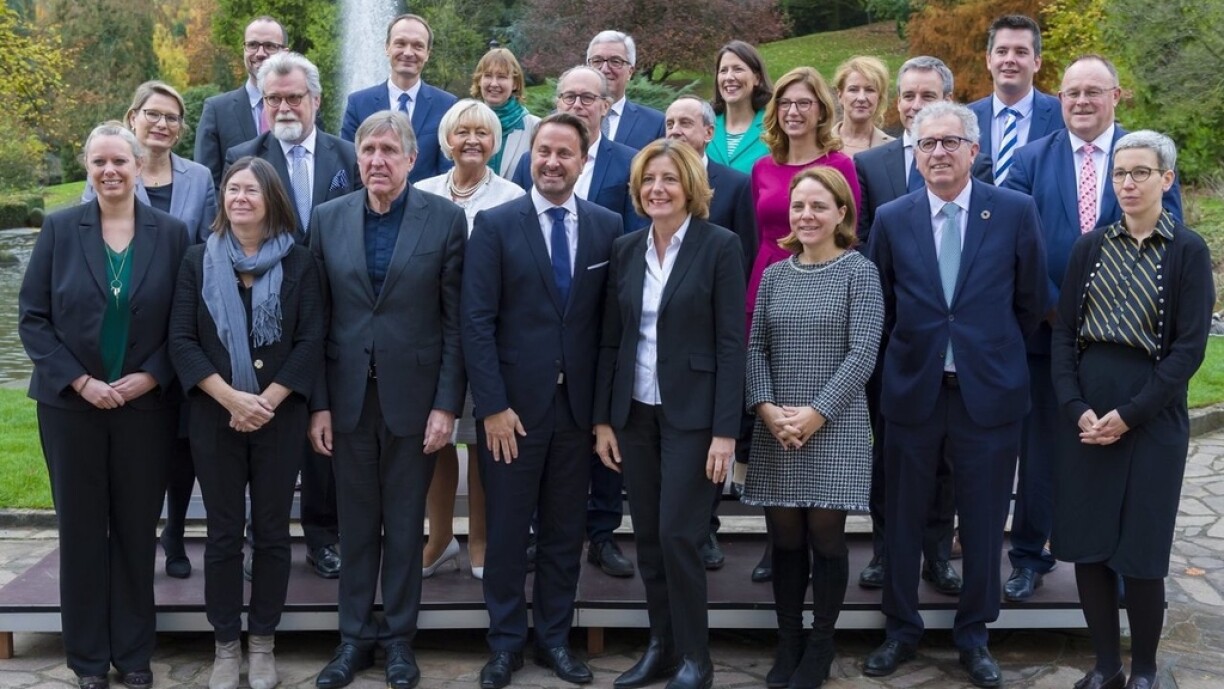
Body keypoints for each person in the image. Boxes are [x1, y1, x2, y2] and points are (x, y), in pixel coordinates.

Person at [863, 102, 1047, 688]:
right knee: (902, 518)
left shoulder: (1013, 210)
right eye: (927, 144)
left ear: (974, 149)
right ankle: (900, 629)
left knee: (986, 519)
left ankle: (974, 634)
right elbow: (880, 305)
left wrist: (983, 352)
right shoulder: (892, 217)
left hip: (986, 394)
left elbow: (1030, 302)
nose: (938, 152)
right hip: (913, 392)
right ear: (915, 154)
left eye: (950, 142)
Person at [1001, 54, 1183, 603]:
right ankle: (1029, 556)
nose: (1081, 101)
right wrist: (1055, 309)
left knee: (1115, 454)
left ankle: (1116, 562)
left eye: (1093, 91)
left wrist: (1109, 314)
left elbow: (1168, 238)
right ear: (1059, 98)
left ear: (1116, 96)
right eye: (1072, 92)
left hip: (1123, 347)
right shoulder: (1031, 159)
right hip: (1045, 335)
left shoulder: (1144, 156)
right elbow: (1015, 242)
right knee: (1040, 454)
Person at [19, 122, 189, 689]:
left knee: (137, 531)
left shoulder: (172, 233)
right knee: (82, 532)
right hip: (72, 409)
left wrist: (153, 375)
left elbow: (187, 320)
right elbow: (33, 319)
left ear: (139, 164)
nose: (110, 171)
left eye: (120, 160)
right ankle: (89, 660)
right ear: (87, 168)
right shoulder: (60, 228)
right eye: (99, 162)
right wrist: (79, 381)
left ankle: (134, 655)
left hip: (146, 409)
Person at [463, 112, 622, 689]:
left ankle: (554, 638)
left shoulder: (606, 226)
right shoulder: (496, 224)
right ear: (531, 156)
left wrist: (602, 415)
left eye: (564, 153)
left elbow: (609, 330)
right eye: (543, 152)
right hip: (512, 413)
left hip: (576, 414)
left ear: (583, 160)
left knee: (563, 531)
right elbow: (476, 321)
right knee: (506, 533)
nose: (552, 162)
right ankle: (505, 643)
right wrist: (492, 406)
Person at [308, 110, 466, 689]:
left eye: (388, 151)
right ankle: (353, 639)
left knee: (403, 527)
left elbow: (455, 322)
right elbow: (314, 320)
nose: (377, 160)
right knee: (355, 527)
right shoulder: (327, 219)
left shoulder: (444, 220)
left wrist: (446, 405)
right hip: (347, 400)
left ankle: (400, 640)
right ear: (357, 158)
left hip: (415, 403)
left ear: (411, 159)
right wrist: (318, 404)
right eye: (368, 150)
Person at [1050, 131, 1212, 689]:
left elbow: (1189, 349)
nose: (1128, 183)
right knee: (1089, 546)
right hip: (1088, 413)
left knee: (1142, 550)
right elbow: (1065, 332)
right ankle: (1106, 666)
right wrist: (1074, 405)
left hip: (1153, 415)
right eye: (1120, 173)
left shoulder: (1188, 250)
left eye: (1140, 172)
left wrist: (1131, 414)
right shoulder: (1090, 247)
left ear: (1166, 179)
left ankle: (1143, 668)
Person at [593, 139, 745, 689]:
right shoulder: (626, 248)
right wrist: (604, 420)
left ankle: (696, 658)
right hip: (635, 413)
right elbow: (612, 340)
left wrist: (725, 433)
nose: (658, 189)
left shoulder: (719, 245)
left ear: (690, 187)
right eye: (649, 180)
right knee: (651, 538)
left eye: (669, 179)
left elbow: (732, 343)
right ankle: (662, 647)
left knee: (680, 535)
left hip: (694, 416)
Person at [168, 156, 324, 689]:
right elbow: (181, 340)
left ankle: (262, 643)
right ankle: (225, 646)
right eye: (232, 189)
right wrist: (232, 399)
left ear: (271, 199)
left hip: (281, 418)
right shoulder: (197, 260)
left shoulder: (301, 262)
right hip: (215, 417)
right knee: (222, 534)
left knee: (274, 533)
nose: (239, 198)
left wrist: (267, 401)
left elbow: (311, 340)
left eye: (251, 191)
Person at [743, 166, 882, 689]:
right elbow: (755, 347)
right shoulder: (775, 274)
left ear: (841, 213)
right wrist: (766, 407)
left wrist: (817, 412)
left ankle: (821, 642)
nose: (806, 215)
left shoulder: (859, 273)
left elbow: (863, 352)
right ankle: (789, 640)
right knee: (784, 540)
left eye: (819, 206)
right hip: (777, 426)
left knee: (825, 539)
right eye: (799, 206)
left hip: (835, 425)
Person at [226, 50, 356, 580]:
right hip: (265, 316)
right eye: (273, 98)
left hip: (337, 312)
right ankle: (262, 539)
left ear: (315, 100)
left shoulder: (348, 156)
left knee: (322, 428)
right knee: (268, 434)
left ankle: (324, 537)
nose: (283, 107)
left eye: (293, 97)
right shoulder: (244, 156)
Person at [82, 80, 216, 579]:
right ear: (133, 117)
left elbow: (207, 246)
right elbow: (89, 240)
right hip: (121, 326)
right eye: (153, 114)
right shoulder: (112, 168)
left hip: (180, 321)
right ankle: (125, 534)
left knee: (180, 438)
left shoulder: (200, 177)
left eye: (172, 117)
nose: (162, 124)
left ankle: (174, 533)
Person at [852, 56, 966, 599]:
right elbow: (865, 246)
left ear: (947, 101)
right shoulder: (870, 164)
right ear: (895, 102)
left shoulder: (968, 162)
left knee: (945, 456)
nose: (916, 105)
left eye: (928, 96)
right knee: (889, 452)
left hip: (950, 344)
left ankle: (937, 554)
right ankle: (884, 550)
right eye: (908, 96)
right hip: (890, 338)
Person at [745, 65, 860, 584]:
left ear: (821, 110)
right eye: (786, 103)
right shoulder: (762, 167)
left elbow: (850, 230)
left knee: (809, 399)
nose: (794, 111)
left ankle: (810, 536)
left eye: (804, 102)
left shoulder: (840, 165)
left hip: (823, 289)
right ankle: (779, 540)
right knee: (768, 400)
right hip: (768, 283)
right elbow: (757, 232)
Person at [416, 99, 525, 580]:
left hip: (489, 337)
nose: (472, 141)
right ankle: (439, 540)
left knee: (483, 441)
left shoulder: (511, 196)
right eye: (462, 132)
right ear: (447, 140)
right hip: (433, 336)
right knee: (435, 438)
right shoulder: (421, 191)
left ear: (495, 142)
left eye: (482, 133)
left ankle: (480, 540)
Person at [662, 94, 757, 570]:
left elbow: (746, 254)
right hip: (659, 333)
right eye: (669, 122)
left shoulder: (735, 185)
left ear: (708, 132)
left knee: (708, 444)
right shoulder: (653, 180)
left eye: (685, 122)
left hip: (710, 332)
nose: (675, 130)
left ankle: (707, 529)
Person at [511, 65, 641, 236]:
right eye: (569, 97)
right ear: (558, 103)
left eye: (587, 98)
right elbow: (514, 221)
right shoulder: (529, 161)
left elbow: (636, 235)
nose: (577, 105)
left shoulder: (630, 163)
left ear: (605, 106)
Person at [340, 13, 458, 182]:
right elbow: (349, 165)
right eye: (400, 43)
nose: (408, 52)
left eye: (418, 46)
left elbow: (448, 171)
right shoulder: (358, 103)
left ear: (427, 53)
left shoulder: (447, 105)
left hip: (425, 198)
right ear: (387, 47)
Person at [966, 15, 1065, 185]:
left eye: (1021, 52)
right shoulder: (964, 118)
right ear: (989, 60)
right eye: (1002, 51)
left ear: (1037, 63)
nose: (1010, 59)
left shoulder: (1062, 114)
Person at [195, 16, 288, 189]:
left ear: (285, 53)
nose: (260, 53)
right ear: (244, 49)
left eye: (269, 46)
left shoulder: (302, 108)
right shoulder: (217, 111)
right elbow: (206, 184)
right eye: (252, 45)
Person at [586, 30, 666, 150]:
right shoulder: (562, 119)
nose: (604, 69)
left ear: (630, 72)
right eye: (597, 61)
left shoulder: (655, 124)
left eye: (615, 61)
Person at [470, 48, 540, 179]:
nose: (494, 83)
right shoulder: (466, 123)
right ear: (479, 80)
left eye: (502, 77)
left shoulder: (535, 127)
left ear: (515, 84)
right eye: (488, 75)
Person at [710, 41, 773, 174]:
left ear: (757, 78)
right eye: (723, 70)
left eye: (737, 69)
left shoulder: (774, 127)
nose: (729, 77)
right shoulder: (705, 125)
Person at [832, 56, 894, 157]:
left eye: (870, 90)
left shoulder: (893, 148)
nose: (861, 98)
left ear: (879, 98)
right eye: (853, 90)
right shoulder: (818, 143)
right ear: (840, 95)